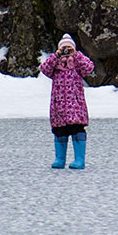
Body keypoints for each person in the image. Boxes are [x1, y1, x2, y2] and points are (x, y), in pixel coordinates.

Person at [39, 34, 94, 169]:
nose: (66, 51)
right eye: (63, 48)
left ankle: (79, 160)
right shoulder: (55, 64)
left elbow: (89, 67)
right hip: (58, 107)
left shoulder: (77, 63)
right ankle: (60, 159)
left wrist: (76, 55)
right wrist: (56, 55)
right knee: (59, 131)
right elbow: (44, 69)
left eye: (68, 48)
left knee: (77, 130)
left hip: (76, 106)